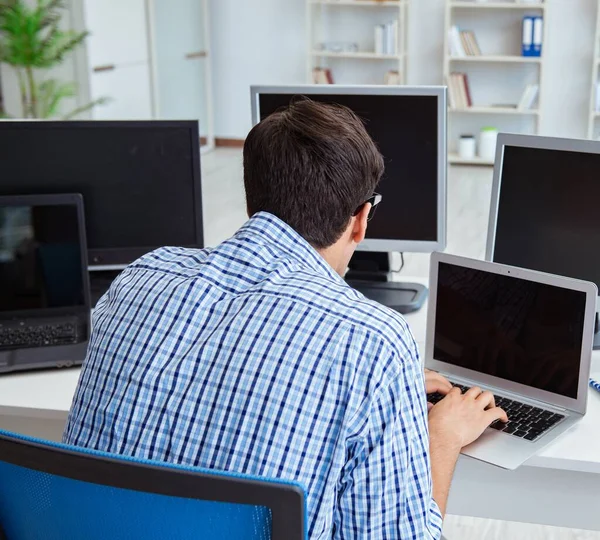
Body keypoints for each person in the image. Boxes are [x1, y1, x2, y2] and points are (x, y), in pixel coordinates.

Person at [63, 98, 507, 539]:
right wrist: (442, 439)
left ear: (252, 198)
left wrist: (385, 391)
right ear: (361, 220)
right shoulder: (372, 339)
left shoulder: (141, 277)